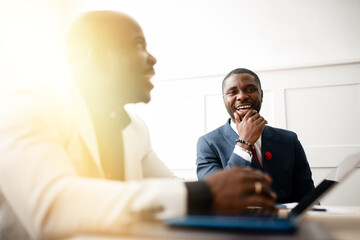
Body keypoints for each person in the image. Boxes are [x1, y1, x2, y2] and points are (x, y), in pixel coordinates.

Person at [0, 12, 276, 239]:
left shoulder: (135, 127)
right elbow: (52, 208)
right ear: (96, 59)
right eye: (137, 45)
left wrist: (233, 201)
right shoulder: (31, 106)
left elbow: (172, 186)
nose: (152, 59)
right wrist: (203, 194)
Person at [196, 68, 315, 203]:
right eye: (233, 92)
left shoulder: (289, 140)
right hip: (237, 222)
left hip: (284, 221)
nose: (242, 96)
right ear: (224, 99)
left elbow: (308, 196)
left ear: (261, 95)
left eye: (250, 89)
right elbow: (214, 194)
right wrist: (244, 143)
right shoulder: (208, 144)